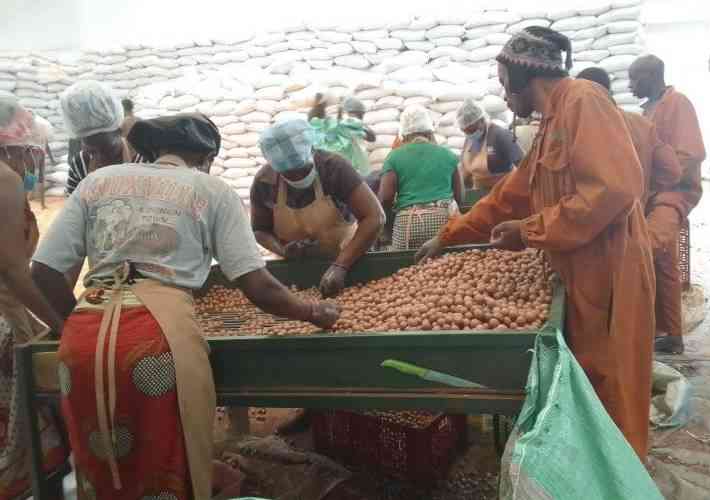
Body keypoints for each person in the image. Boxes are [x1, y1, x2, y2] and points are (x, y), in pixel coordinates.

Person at [31, 113, 341, 500]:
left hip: (82, 339)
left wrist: (74, 323)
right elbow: (256, 284)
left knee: (102, 461)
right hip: (156, 339)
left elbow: (42, 271)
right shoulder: (210, 190)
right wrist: (312, 311)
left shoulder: (97, 182)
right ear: (207, 157)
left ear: (155, 151)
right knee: (167, 459)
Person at [417, 27, 656, 461]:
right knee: (588, 382)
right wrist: (449, 234)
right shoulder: (548, 126)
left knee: (615, 387)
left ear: (528, 76)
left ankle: (624, 479)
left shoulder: (583, 100)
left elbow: (615, 189)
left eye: (505, 83)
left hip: (612, 271)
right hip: (578, 274)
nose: (504, 95)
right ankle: (592, 474)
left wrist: (529, 232)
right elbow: (511, 194)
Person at [0, 93, 67, 500]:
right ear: (15, 144)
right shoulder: (4, 180)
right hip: (6, 318)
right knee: (29, 432)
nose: (32, 168)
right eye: (32, 157)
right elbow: (12, 270)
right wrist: (59, 326)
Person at [251, 119, 384, 297]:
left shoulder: (334, 168)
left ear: (311, 150)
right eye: (288, 173)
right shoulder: (265, 182)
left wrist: (340, 265)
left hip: (350, 262)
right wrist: (282, 250)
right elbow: (260, 230)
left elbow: (375, 217)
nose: (297, 177)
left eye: (301, 169)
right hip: (297, 274)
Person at [629, 55, 706, 354]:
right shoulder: (649, 109)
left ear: (651, 75)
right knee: (661, 263)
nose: (631, 85)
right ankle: (663, 330)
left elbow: (690, 154)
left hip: (672, 193)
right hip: (652, 195)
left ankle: (672, 333)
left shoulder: (678, 103)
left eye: (635, 79)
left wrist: (657, 184)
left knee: (652, 249)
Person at [577, 66, 683, 237]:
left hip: (590, 237)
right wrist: (644, 186)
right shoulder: (642, 124)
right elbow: (673, 172)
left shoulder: (577, 129)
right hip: (634, 230)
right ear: (609, 92)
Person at [379, 105, 464, 250]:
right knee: (448, 269)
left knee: (404, 270)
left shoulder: (394, 156)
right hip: (444, 224)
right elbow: (460, 196)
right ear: (429, 131)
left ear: (404, 134)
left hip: (408, 226)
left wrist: (386, 227)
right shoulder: (447, 154)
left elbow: (385, 198)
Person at [63, 81, 140, 196]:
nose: (100, 158)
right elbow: (72, 206)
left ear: (120, 131)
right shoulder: (80, 163)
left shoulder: (141, 160)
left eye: (108, 150)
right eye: (91, 151)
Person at [457, 98, 523, 190]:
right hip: (479, 192)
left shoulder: (501, 135)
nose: (469, 134)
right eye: (466, 132)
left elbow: (523, 165)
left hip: (503, 191)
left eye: (472, 130)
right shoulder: (469, 139)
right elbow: (464, 170)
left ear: (481, 120)